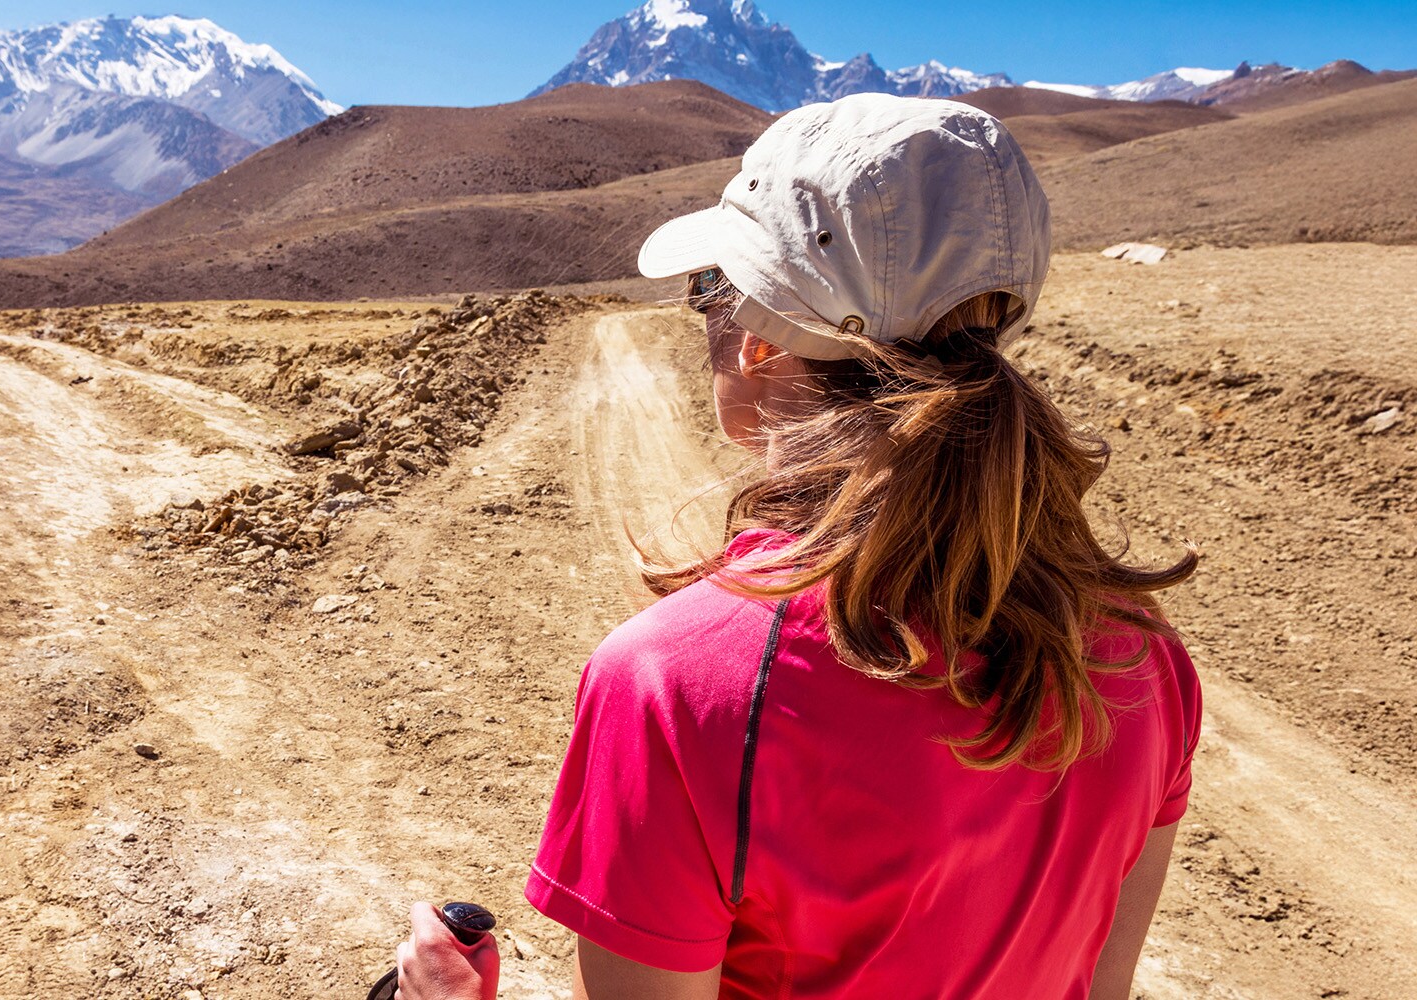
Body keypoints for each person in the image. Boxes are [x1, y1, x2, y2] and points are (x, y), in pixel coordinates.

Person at [390, 94, 1201, 999]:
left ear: (763, 350)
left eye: (711, 289)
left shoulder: (676, 685)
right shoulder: (1141, 649)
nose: (704, 319)